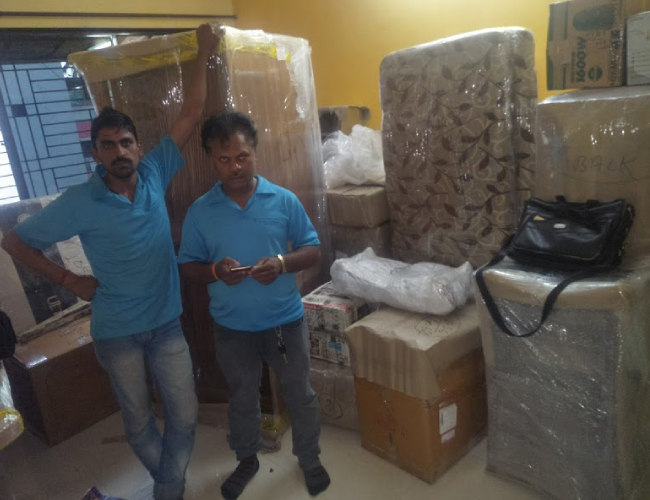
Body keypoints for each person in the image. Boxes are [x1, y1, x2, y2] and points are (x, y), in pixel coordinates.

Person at [0, 24, 219, 500]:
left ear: (137, 146)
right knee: (138, 423)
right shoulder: (80, 200)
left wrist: (203, 51)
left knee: (184, 414)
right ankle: (172, 490)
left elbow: (192, 111)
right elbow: (13, 241)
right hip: (117, 333)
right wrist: (68, 278)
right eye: (108, 145)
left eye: (125, 142)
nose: (119, 152)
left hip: (166, 325)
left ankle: (167, 489)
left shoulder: (156, 171)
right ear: (95, 153)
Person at [177, 111, 330, 499]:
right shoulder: (200, 211)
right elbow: (188, 266)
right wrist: (215, 270)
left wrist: (280, 263)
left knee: (300, 394)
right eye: (224, 159)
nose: (234, 167)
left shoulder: (283, 200)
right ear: (211, 160)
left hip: (284, 323)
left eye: (242, 156)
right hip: (232, 328)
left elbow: (312, 249)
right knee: (242, 397)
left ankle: (309, 459)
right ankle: (247, 459)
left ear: (255, 153)